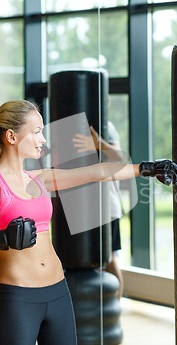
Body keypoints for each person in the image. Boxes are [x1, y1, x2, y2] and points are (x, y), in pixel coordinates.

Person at [0, 99, 177, 345]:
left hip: (58, 291)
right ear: (11, 136)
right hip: (18, 297)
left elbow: (98, 172)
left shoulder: (39, 178)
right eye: (37, 132)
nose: (43, 140)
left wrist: (148, 168)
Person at [73, 122, 125, 299]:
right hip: (82, 208)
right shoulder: (69, 122)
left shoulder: (106, 126)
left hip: (107, 207)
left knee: (110, 259)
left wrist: (99, 144)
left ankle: (115, 308)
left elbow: (119, 156)